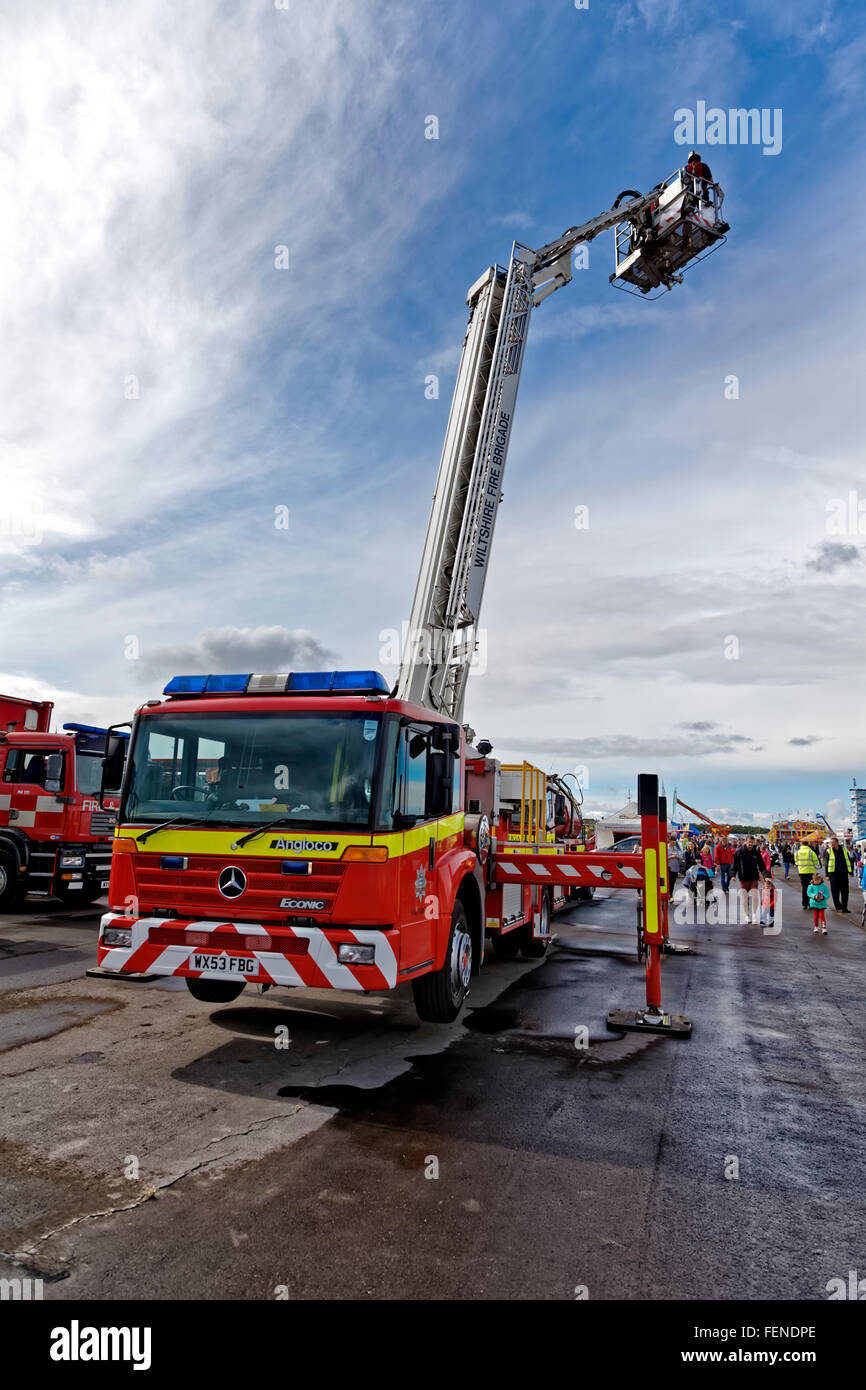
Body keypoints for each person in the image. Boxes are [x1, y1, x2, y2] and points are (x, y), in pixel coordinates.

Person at [732, 835, 766, 925]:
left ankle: (754, 914)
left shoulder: (756, 853)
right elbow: (734, 865)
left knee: (755, 896)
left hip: (754, 877)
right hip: (743, 878)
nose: (751, 844)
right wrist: (733, 875)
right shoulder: (739, 852)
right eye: (749, 842)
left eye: (752, 842)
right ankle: (747, 915)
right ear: (746, 842)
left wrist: (766, 876)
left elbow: (762, 866)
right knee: (744, 898)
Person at [826, 837, 853, 913]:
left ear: (836, 843)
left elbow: (849, 861)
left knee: (845, 892)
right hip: (833, 875)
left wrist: (850, 872)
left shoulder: (844, 850)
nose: (831, 844)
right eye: (830, 843)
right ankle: (838, 906)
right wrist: (827, 875)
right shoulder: (828, 851)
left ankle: (844, 908)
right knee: (835, 892)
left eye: (832, 843)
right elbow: (826, 864)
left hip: (843, 874)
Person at [795, 838, 820, 909]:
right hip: (810, 872)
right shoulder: (810, 851)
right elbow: (816, 861)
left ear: (801, 844)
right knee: (811, 888)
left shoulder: (798, 852)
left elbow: (796, 861)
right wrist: (816, 867)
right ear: (808, 844)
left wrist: (800, 866)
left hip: (802, 872)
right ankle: (810, 903)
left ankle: (804, 904)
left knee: (804, 888)